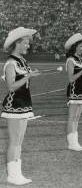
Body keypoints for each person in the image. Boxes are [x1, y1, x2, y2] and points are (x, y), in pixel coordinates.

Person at [1, 27, 41, 185]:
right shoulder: (11, 62)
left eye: (28, 43)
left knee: (20, 141)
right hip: (14, 104)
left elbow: (23, 81)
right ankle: (12, 175)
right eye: (25, 42)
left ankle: (18, 173)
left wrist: (31, 75)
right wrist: (29, 76)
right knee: (14, 141)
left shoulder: (22, 61)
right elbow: (11, 86)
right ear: (17, 43)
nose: (28, 46)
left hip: (24, 103)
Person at [65, 33, 82, 151]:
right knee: (72, 117)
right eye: (81, 46)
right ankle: (71, 143)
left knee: (77, 118)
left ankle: (75, 142)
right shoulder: (70, 60)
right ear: (74, 46)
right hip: (74, 91)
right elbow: (71, 79)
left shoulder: (80, 59)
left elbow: (81, 75)